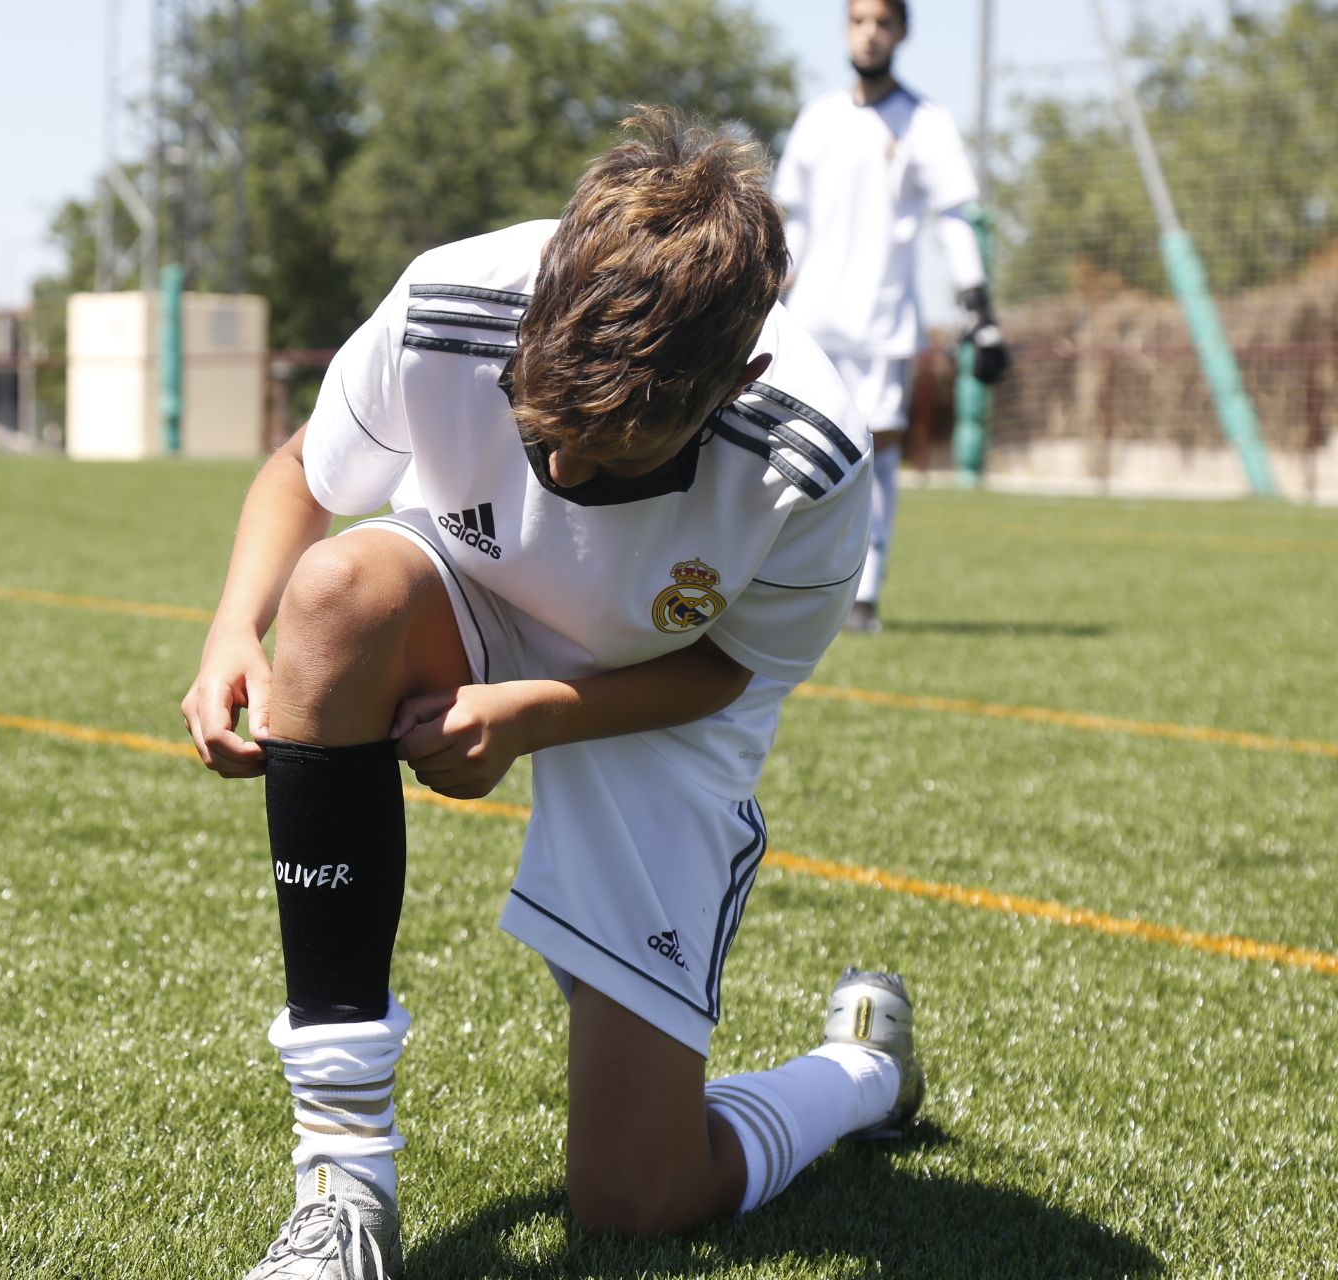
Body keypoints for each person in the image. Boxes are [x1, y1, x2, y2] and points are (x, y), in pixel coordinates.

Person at [182, 108, 924, 1280]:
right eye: (542, 422)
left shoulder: (811, 455)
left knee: (637, 1200)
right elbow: (304, 472)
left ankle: (863, 1074)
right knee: (333, 594)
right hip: (467, 591)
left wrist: (538, 711)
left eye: (610, 449)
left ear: (739, 379)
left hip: (656, 689)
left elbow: (731, 667)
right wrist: (235, 626)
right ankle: (343, 1189)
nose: (563, 469)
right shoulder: (450, 301)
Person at [773, 0, 1010, 634]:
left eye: (882, 22)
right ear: (846, 28)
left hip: (883, 328)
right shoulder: (818, 118)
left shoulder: (925, 122)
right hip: (811, 325)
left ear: (901, 32)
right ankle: (779, 585)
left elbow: (956, 215)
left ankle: (865, 596)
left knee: (872, 462)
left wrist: (977, 305)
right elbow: (793, 222)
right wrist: (761, 293)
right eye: (858, 20)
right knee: (788, 456)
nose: (869, 33)